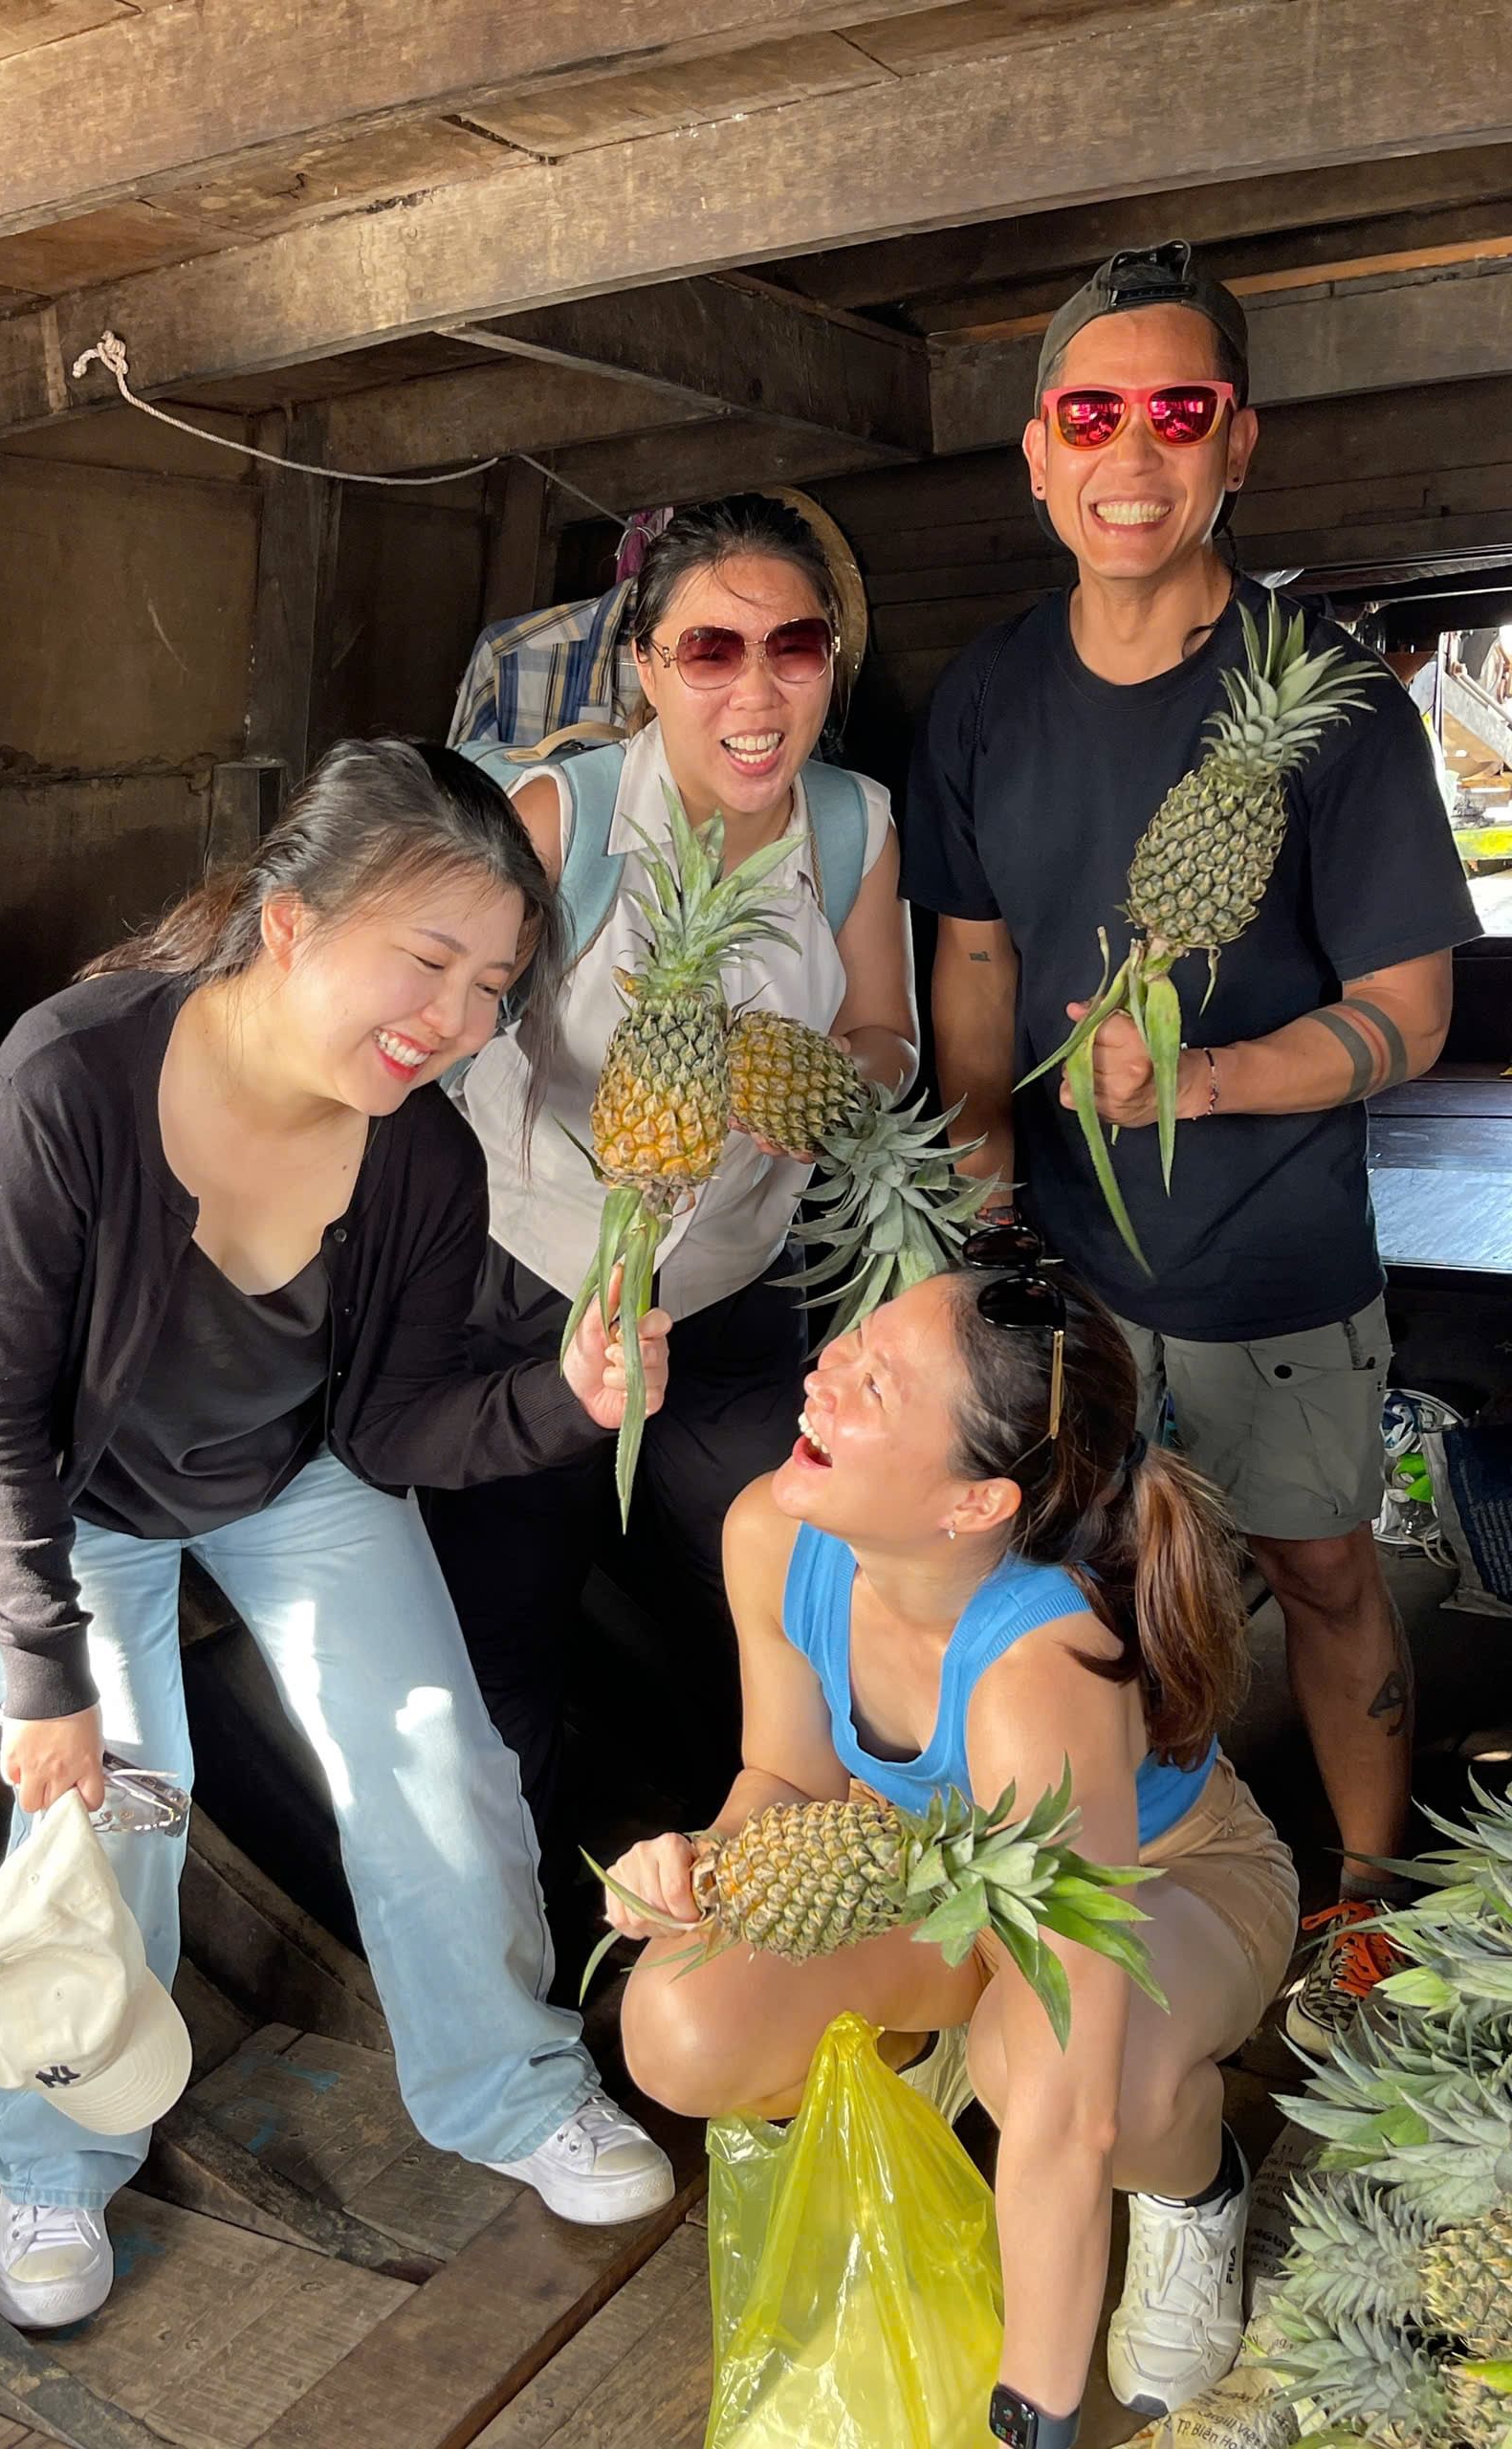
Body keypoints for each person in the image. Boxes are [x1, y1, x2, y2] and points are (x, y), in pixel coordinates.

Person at [0, 739, 677, 2332]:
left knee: (442, 1761)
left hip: (282, 1475)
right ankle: (55, 2160)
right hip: (63, 1502)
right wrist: (46, 1677)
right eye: (428, 961)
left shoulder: (420, 1149)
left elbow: (397, 1424)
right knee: (112, 1818)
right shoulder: (67, 1080)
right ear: (292, 921)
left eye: (493, 986)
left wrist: (570, 1397)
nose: (459, 1022)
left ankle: (509, 2088)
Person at [906, 240, 1481, 2057]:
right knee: (1073, 1586)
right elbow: (974, 968)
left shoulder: (1337, 700)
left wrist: (1215, 1083)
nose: (1133, 451)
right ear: (1036, 452)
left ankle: (1365, 1903)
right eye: (1095, 411)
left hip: (1271, 1251)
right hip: (1058, 1266)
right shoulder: (986, 698)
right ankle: (1116, 1877)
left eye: (1178, 411)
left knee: (1320, 1565)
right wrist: (984, 1197)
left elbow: (1412, 1005)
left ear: (1240, 443)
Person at [603, 1240, 1300, 2433]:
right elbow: (783, 1771)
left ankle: (1194, 2191)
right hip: (925, 1873)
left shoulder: (1045, 1674)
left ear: (975, 1503)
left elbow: (1071, 2088)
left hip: (1163, 1889)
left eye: (875, 1386)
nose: (821, 1373)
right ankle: (918, 2036)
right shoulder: (776, 1531)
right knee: (678, 2017)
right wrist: (705, 1861)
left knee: (1050, 2071)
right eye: (855, 1344)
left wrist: (1032, 2407)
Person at [427, 493, 919, 1830]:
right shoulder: (562, 817)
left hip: (734, 1302)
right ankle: (507, 1962)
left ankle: (766, 1895)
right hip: (527, 1296)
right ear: (646, 667)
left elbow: (884, 1032)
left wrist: (821, 1088)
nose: (756, 689)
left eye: (794, 646)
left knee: (788, 1611)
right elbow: (434, 1046)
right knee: (501, 1645)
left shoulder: (853, 824)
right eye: (710, 650)